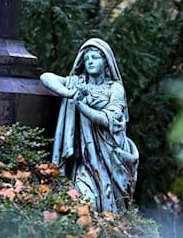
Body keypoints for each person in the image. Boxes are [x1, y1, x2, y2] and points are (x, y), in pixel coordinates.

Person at [40, 38, 139, 212]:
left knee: (110, 209)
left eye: (95, 57)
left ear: (106, 62)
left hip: (111, 158)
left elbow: (108, 119)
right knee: (86, 201)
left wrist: (81, 106)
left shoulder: (115, 89)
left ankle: (107, 236)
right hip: (85, 160)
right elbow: (46, 77)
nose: (90, 61)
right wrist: (70, 93)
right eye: (87, 59)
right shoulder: (76, 83)